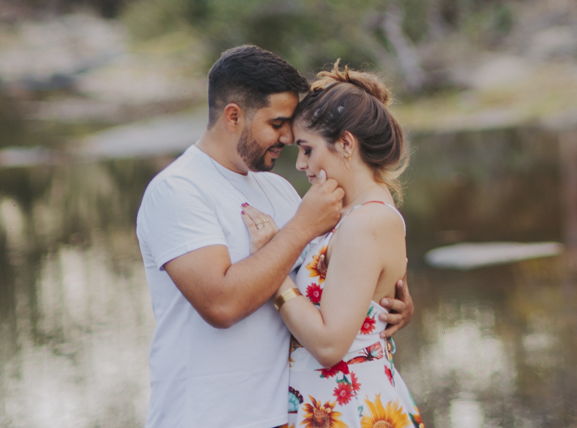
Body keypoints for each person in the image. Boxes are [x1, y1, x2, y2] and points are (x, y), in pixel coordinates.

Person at [135, 44, 414, 428]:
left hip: (284, 413)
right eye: (277, 123)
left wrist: (382, 304)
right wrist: (300, 227)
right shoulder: (178, 190)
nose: (286, 138)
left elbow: (333, 270)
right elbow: (221, 305)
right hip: (205, 416)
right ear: (234, 116)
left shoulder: (279, 191)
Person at [241, 63, 423, 428]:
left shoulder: (366, 221)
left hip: (350, 406)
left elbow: (328, 346)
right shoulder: (345, 215)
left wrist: (272, 268)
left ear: (345, 143)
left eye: (307, 149)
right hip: (330, 404)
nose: (301, 163)